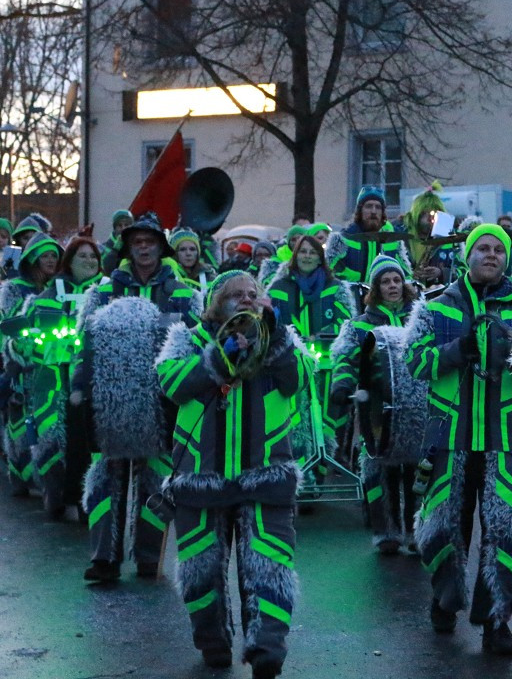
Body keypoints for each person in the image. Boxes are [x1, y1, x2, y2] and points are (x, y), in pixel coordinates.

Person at [156, 270, 304, 678]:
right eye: (235, 294)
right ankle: (213, 642)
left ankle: (267, 647)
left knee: (269, 562)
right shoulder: (187, 338)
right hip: (201, 476)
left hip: (265, 473)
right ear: (216, 301)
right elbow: (170, 382)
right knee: (201, 568)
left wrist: (275, 340)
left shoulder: (279, 337)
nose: (245, 299)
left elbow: (298, 382)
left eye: (252, 293)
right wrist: (222, 355)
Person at [404, 223, 512, 656]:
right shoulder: (436, 306)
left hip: (503, 437)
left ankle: (497, 621)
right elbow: (414, 362)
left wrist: (508, 347)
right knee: (442, 527)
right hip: (448, 437)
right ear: (467, 256)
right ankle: (445, 598)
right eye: (483, 248)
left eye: (499, 250)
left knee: (504, 530)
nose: (491, 255)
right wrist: (458, 350)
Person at [71, 211, 198, 582]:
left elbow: (192, 345)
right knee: (103, 479)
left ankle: (147, 558)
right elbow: (86, 344)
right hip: (110, 403)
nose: (144, 247)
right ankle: (102, 559)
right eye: (137, 242)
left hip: (160, 402)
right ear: (128, 247)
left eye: (150, 241)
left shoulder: (183, 293)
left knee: (157, 479)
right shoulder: (104, 291)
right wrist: (80, 386)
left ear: (162, 247)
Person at [330, 255, 419, 553]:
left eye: (396, 280)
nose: (392, 285)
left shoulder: (420, 317)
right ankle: (386, 533)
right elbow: (345, 358)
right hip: (376, 410)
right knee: (378, 470)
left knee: (417, 474)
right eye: (385, 281)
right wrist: (342, 383)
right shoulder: (358, 325)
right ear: (375, 288)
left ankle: (415, 531)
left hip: (416, 410)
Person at [15, 237, 102, 518]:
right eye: (82, 256)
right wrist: (23, 346)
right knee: (50, 440)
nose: (89, 261)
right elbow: (21, 337)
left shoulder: (108, 291)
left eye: (93, 257)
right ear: (70, 262)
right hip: (51, 384)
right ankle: (54, 494)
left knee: (92, 444)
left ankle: (91, 502)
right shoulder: (48, 295)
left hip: (93, 383)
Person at [268, 235, 356, 486]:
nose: (307, 256)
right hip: (290, 365)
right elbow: (268, 323)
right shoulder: (278, 288)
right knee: (295, 423)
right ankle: (299, 480)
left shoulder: (336, 287)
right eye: (302, 252)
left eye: (312, 252)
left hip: (326, 366)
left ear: (321, 257)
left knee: (325, 422)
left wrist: (325, 333)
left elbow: (346, 322)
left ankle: (318, 474)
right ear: (295, 256)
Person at [0, 231, 62, 497]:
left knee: (47, 419)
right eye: (45, 255)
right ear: (33, 259)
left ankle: (48, 475)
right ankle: (19, 471)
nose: (50, 260)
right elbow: (7, 324)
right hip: (19, 361)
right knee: (19, 416)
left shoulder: (61, 287)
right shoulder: (15, 288)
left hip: (52, 361)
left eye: (54, 256)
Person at [326, 186, 409, 301]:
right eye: (369, 206)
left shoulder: (394, 242)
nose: (373, 211)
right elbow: (326, 274)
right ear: (360, 210)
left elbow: (407, 276)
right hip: (351, 302)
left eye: (378, 207)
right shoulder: (342, 240)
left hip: (384, 305)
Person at [395, 182, 458, 289]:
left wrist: (441, 273)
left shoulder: (448, 233)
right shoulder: (400, 234)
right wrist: (410, 276)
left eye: (436, 214)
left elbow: (463, 270)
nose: (432, 219)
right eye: (427, 214)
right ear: (417, 214)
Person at [170, 228, 218, 293]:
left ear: (198, 253)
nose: (188, 253)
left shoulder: (209, 274)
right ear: (175, 254)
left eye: (192, 249)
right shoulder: (168, 275)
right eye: (182, 249)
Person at [99, 209, 133, 275]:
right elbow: (105, 270)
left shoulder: (138, 245)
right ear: (115, 228)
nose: (123, 228)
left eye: (126, 225)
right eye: (120, 225)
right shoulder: (104, 247)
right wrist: (115, 250)